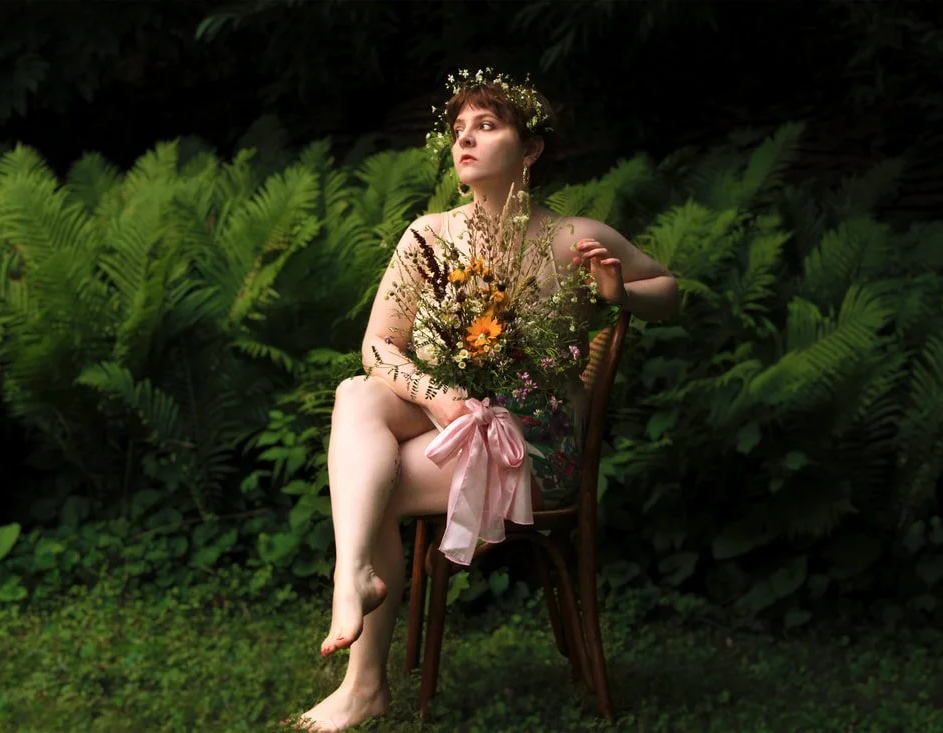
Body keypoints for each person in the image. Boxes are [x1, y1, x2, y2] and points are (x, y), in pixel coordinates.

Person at [286, 70, 679, 731]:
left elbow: (670, 290)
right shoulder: (429, 237)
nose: (465, 138)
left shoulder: (571, 237)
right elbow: (380, 347)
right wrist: (439, 399)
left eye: (487, 126)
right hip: (456, 416)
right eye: (459, 128)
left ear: (531, 150)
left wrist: (620, 296)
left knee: (369, 478)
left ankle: (363, 677)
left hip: (531, 445)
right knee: (358, 392)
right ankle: (354, 577)